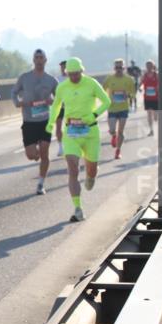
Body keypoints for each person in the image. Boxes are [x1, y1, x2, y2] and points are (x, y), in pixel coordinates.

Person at [45, 57, 111, 222]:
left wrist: (94, 114)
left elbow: (107, 101)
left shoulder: (92, 83)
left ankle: (91, 176)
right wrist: (51, 123)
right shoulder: (62, 87)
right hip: (71, 134)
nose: (73, 77)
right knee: (72, 169)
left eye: (76, 74)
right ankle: (78, 208)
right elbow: (56, 106)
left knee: (92, 170)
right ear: (66, 73)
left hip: (90, 133)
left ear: (82, 71)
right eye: (70, 74)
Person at [12, 49, 59, 194]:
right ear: (33, 60)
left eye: (41, 58)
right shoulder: (25, 77)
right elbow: (14, 92)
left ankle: (41, 183)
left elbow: (60, 99)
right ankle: (36, 154)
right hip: (29, 121)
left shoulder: (51, 80)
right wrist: (18, 102)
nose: (39, 60)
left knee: (45, 152)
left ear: (45, 60)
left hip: (45, 120)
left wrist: (53, 101)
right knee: (31, 155)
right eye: (36, 58)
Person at [102, 58, 136, 159]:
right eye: (117, 67)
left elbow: (133, 94)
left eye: (120, 67)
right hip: (112, 108)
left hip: (123, 108)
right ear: (114, 68)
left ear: (124, 68)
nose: (118, 69)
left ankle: (118, 151)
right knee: (112, 130)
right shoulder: (109, 79)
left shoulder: (129, 79)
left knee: (120, 131)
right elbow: (102, 90)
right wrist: (107, 98)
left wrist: (128, 95)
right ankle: (113, 136)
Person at [140, 60, 159, 136]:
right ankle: (151, 130)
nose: (149, 67)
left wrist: (157, 88)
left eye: (150, 65)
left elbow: (160, 83)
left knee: (155, 116)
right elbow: (141, 83)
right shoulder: (144, 75)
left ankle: (156, 125)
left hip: (156, 97)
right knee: (149, 114)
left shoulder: (156, 74)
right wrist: (141, 88)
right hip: (147, 97)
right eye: (147, 66)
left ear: (153, 66)